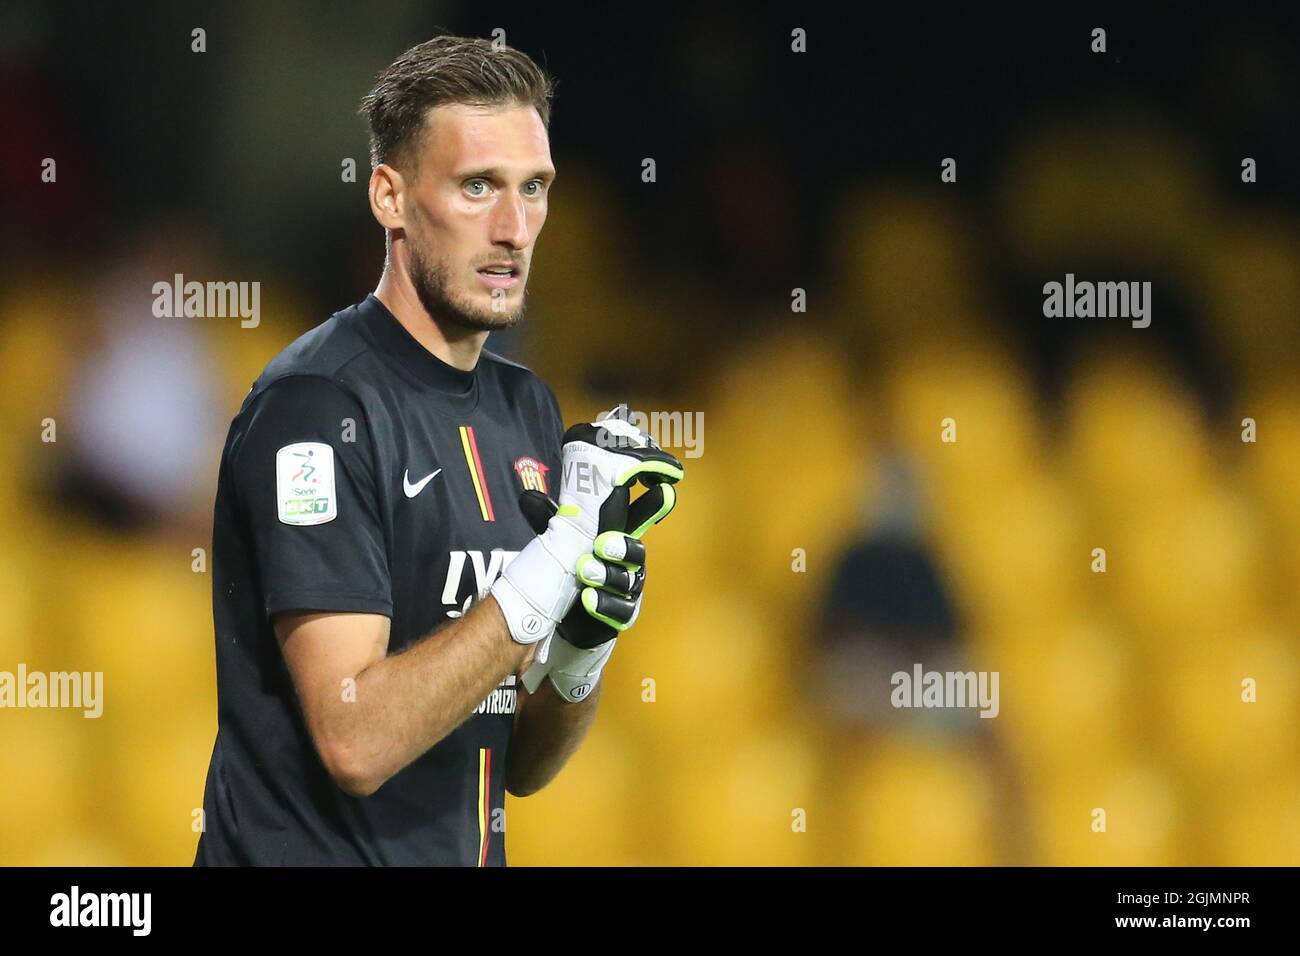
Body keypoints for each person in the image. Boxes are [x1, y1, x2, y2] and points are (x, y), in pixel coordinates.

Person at [194, 35, 681, 866]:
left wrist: (578, 655)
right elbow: (355, 742)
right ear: (388, 194)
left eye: (534, 188)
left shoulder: (527, 406)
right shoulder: (318, 407)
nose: (514, 227)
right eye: (478, 186)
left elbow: (520, 766)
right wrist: (551, 567)